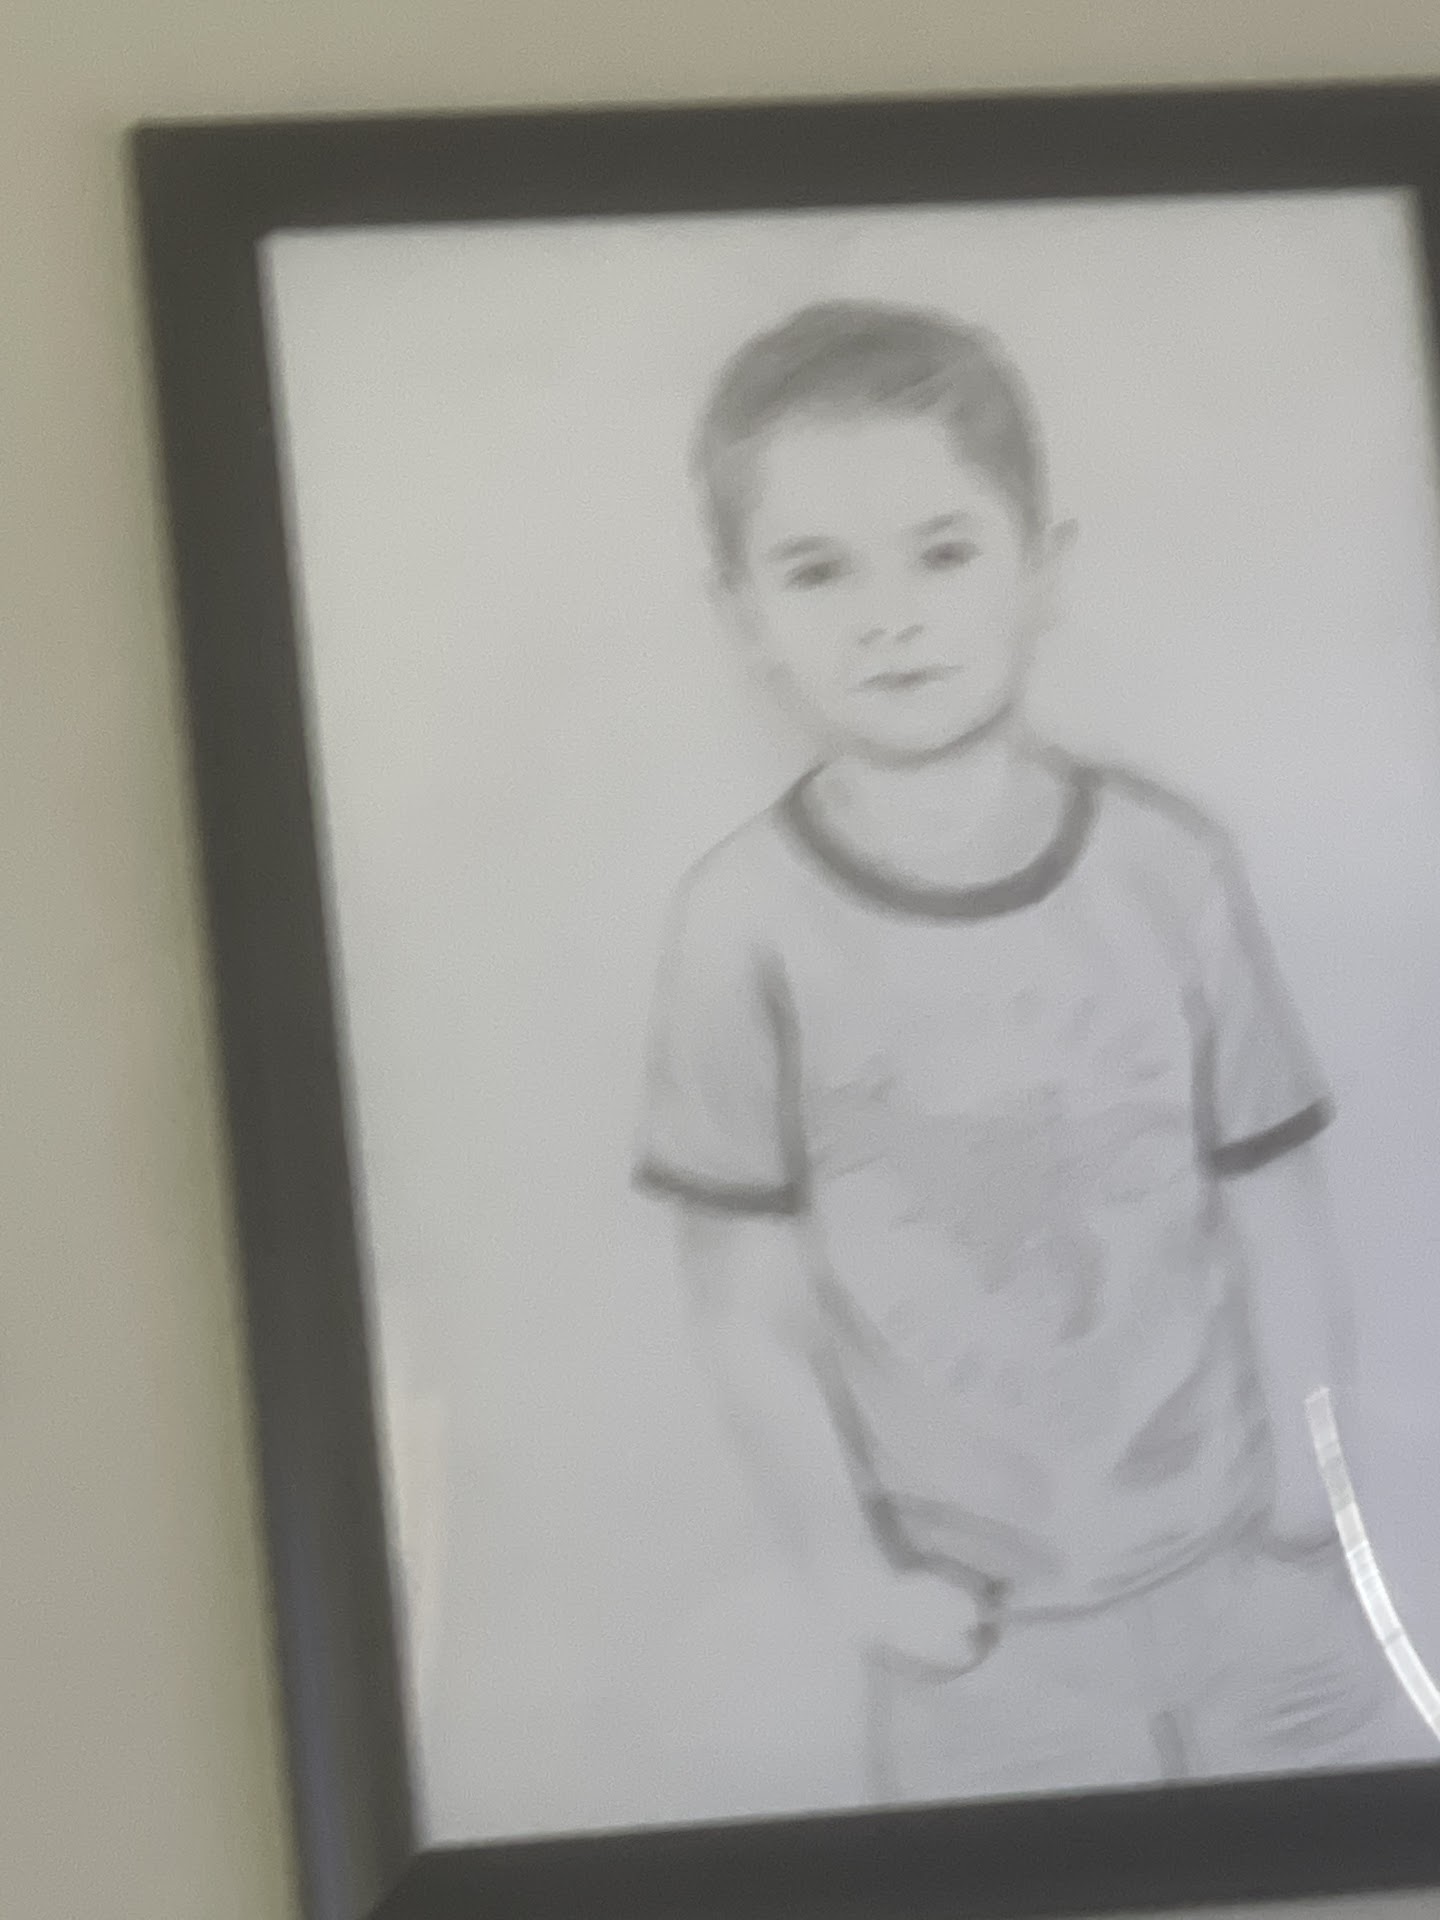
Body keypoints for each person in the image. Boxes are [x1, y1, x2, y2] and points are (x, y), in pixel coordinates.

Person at [634, 299, 1422, 1799]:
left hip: (1255, 1573)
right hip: (983, 1640)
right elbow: (745, 1310)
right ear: (739, 611)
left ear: (1041, 569)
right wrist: (861, 1583)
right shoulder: (740, 925)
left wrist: (1307, 1502)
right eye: (818, 569)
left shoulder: (1169, 868)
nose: (889, 616)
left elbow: (1273, 1206)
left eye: (943, 551)